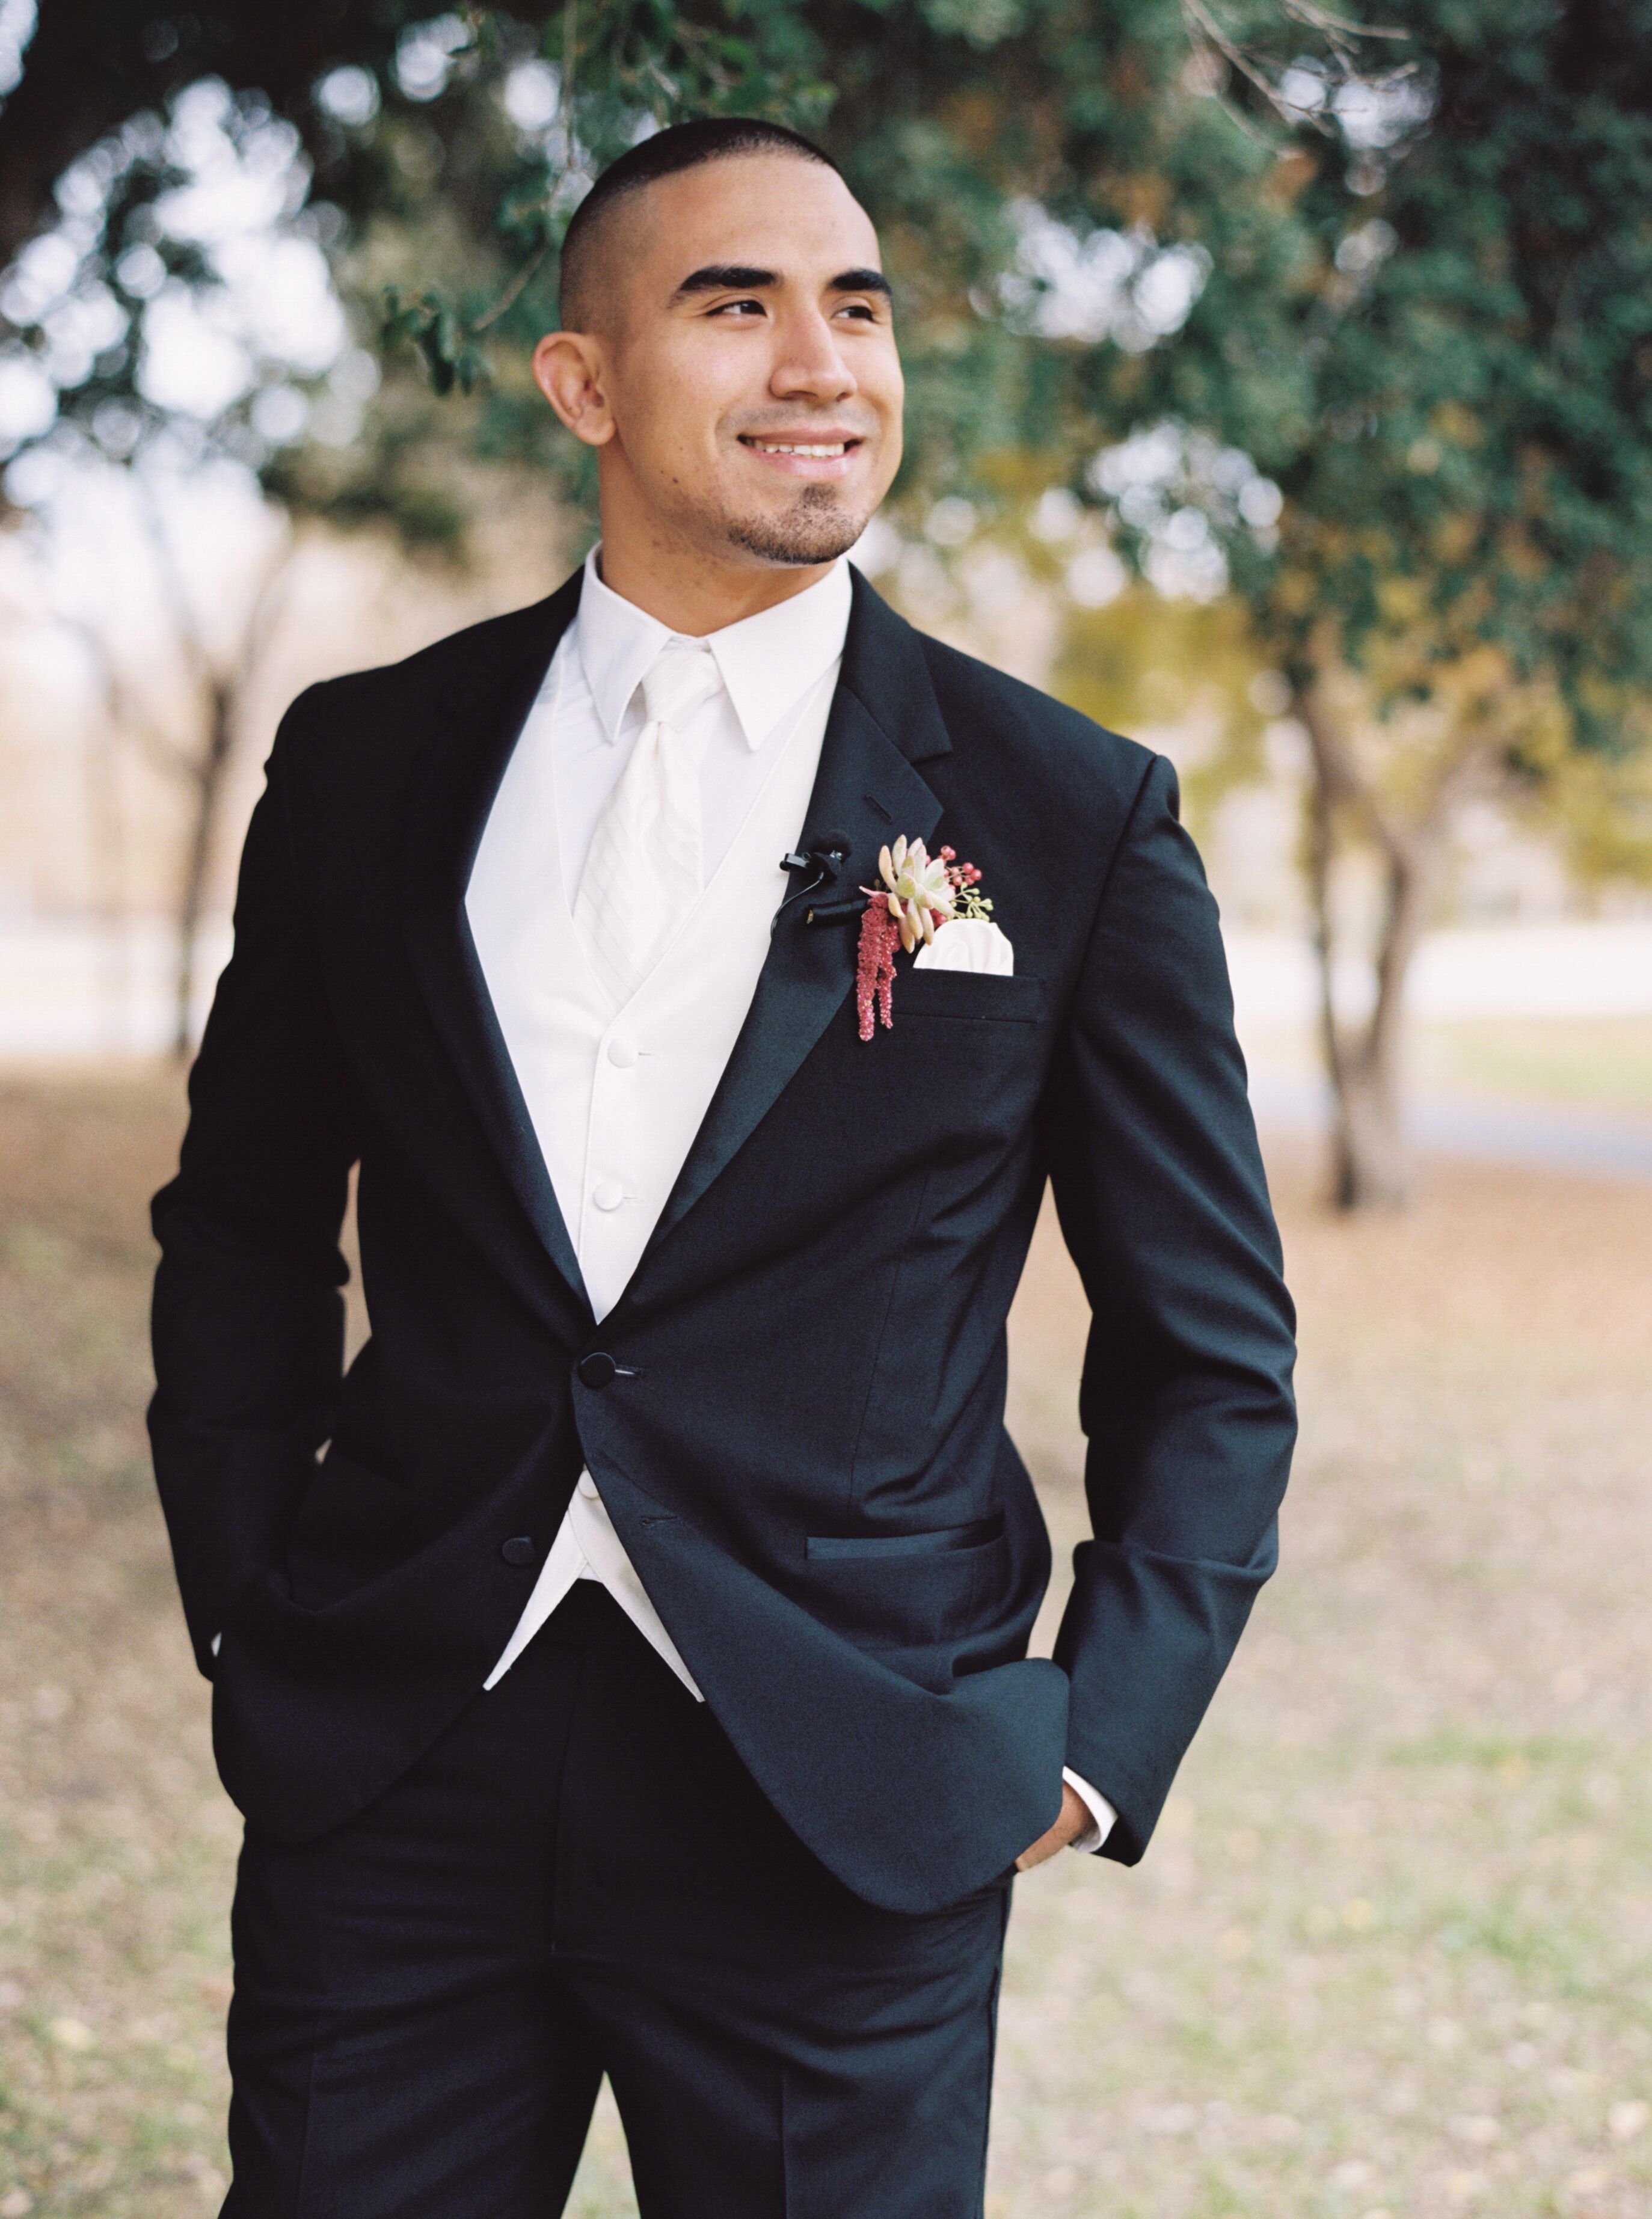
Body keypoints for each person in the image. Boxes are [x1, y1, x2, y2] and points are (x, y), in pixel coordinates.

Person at [149, 114, 1296, 2219]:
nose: (821, 364)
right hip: (402, 1752)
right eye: (734, 304)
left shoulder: (1064, 813)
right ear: (581, 384)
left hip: (849, 1787)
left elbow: (1206, 1341)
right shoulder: (367, 761)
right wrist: (251, 1597)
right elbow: (239, 1227)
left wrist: (1089, 1736)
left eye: (855, 309)